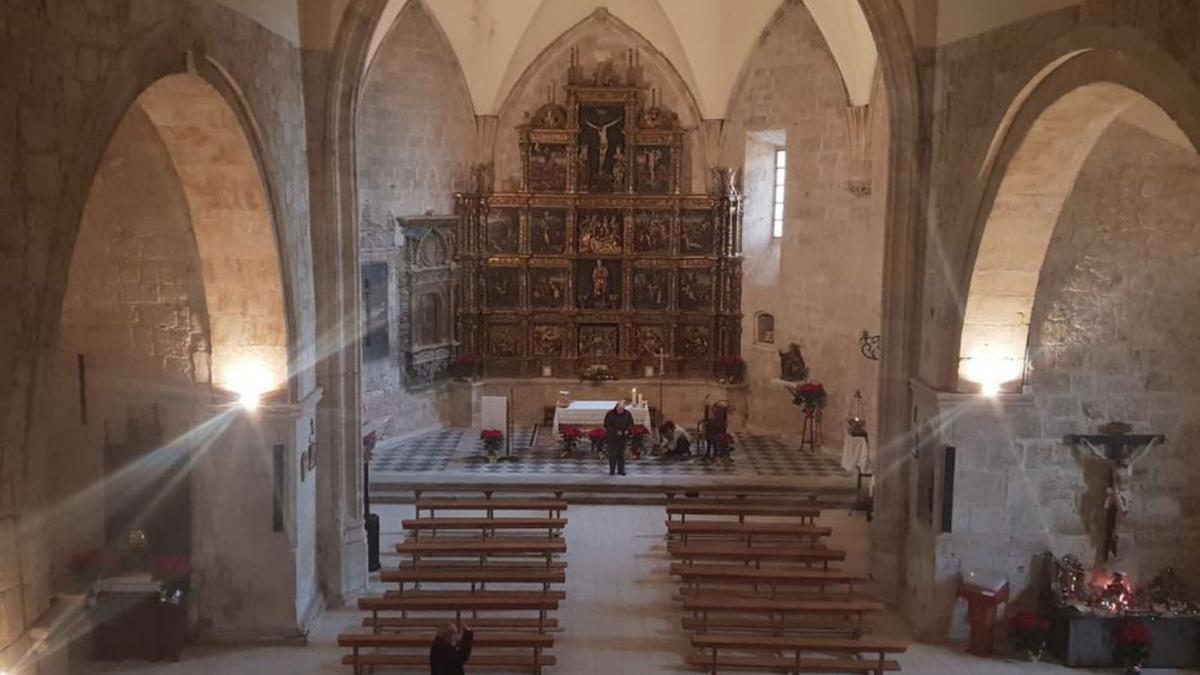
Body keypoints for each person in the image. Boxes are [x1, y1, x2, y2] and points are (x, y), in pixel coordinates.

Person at [603, 400, 634, 476]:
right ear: (616, 407)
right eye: (619, 409)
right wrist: (615, 431)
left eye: (622, 409)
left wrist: (628, 430)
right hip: (612, 438)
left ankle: (621, 470)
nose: (621, 411)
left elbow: (631, 423)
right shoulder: (610, 414)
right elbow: (607, 425)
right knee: (612, 455)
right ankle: (612, 470)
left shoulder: (627, 413)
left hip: (622, 437)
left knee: (621, 455)